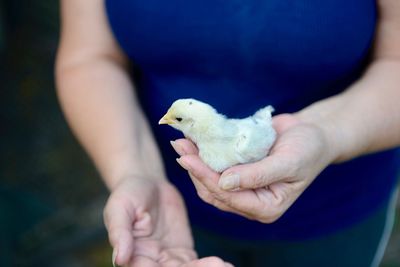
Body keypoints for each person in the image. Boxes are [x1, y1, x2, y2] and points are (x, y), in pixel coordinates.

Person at [56, 0, 400, 266]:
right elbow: (89, 57)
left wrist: (325, 135)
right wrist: (134, 171)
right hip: (166, 211)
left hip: (334, 210)